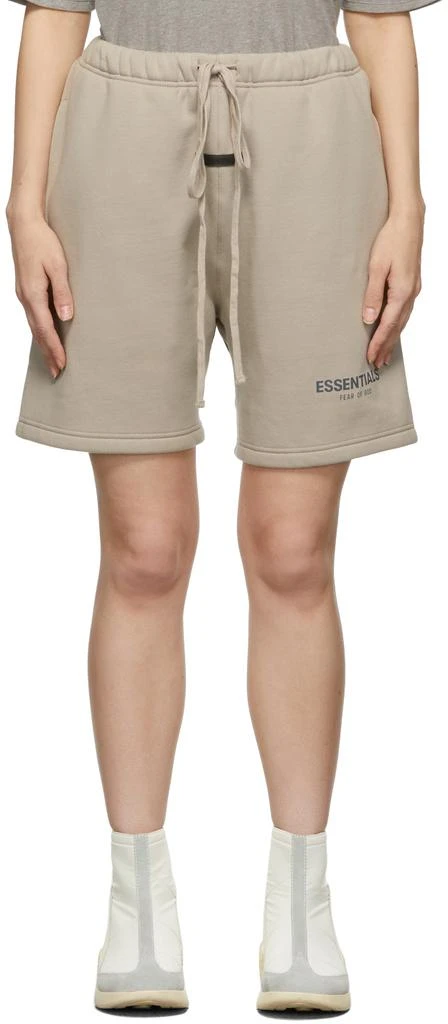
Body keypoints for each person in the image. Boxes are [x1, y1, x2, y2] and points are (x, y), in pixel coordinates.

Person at [6, 0, 436, 1013]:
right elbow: (55, 7)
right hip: (121, 128)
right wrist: (24, 204)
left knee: (293, 548)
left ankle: (301, 904)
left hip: (313, 133)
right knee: (143, 548)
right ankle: (137, 904)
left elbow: (380, 17)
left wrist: (408, 207)